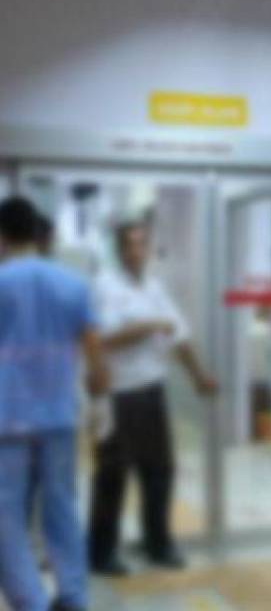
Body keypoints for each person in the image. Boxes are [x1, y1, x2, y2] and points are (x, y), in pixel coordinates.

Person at [87, 220, 218, 575]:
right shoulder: (104, 286)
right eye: (130, 244)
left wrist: (198, 376)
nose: (137, 251)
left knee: (159, 471)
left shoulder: (154, 288)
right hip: (117, 394)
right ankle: (100, 553)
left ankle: (157, 544)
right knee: (113, 475)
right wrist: (149, 326)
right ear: (119, 249)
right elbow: (103, 339)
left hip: (151, 391)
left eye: (142, 244)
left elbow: (179, 335)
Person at [0, 196, 108, 611]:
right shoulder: (72, 284)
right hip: (60, 416)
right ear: (36, 232)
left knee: (7, 519)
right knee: (62, 508)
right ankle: (74, 597)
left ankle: (31, 602)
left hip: (8, 421)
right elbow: (95, 353)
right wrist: (101, 404)